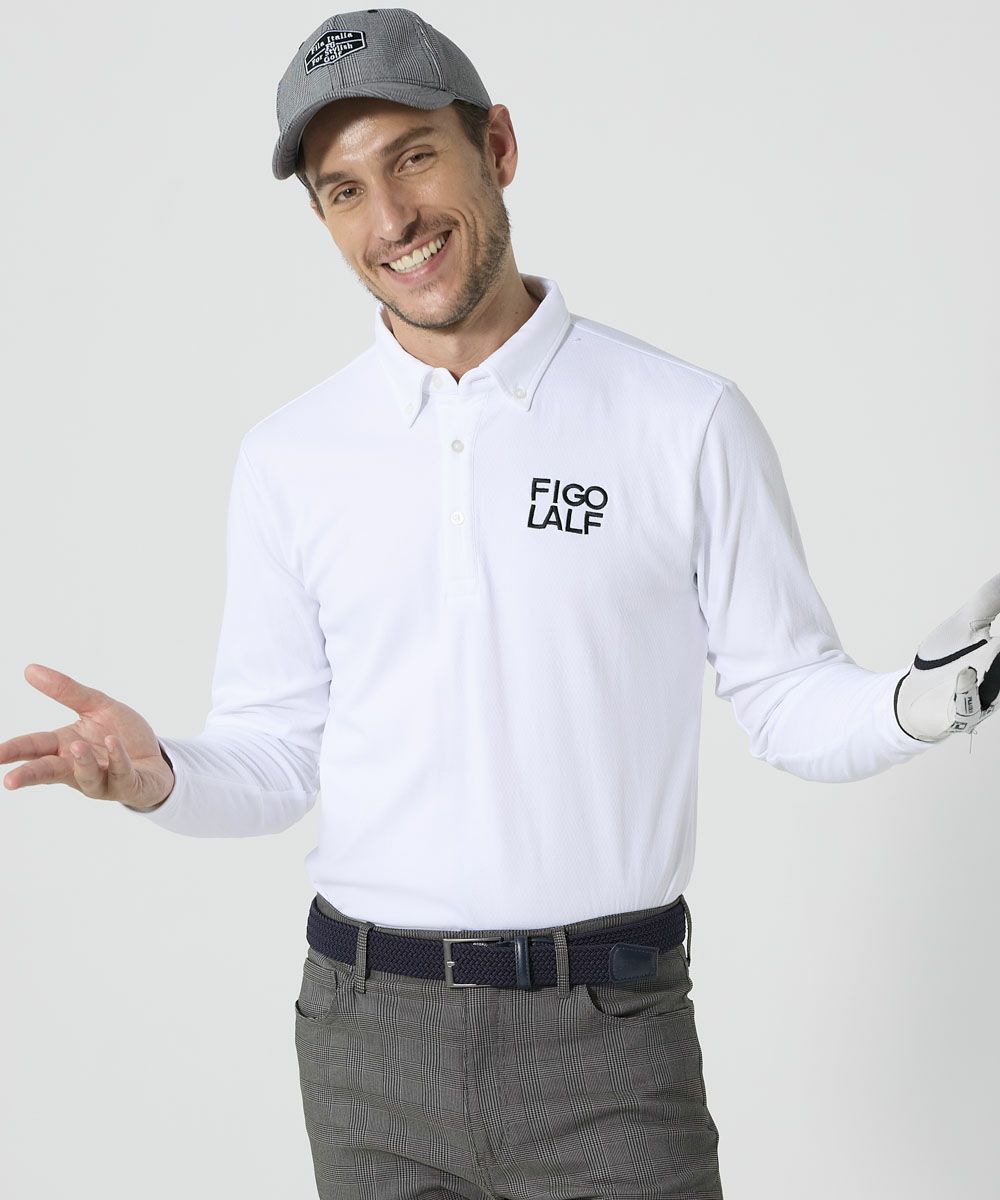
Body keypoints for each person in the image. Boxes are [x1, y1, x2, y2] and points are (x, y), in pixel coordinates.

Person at [3, 8, 998, 1199]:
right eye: (343, 191)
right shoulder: (290, 458)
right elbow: (275, 755)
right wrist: (158, 774)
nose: (391, 219)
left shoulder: (681, 420)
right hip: (366, 1045)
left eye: (416, 157)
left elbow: (785, 695)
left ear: (499, 148)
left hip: (606, 1039)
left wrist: (919, 705)